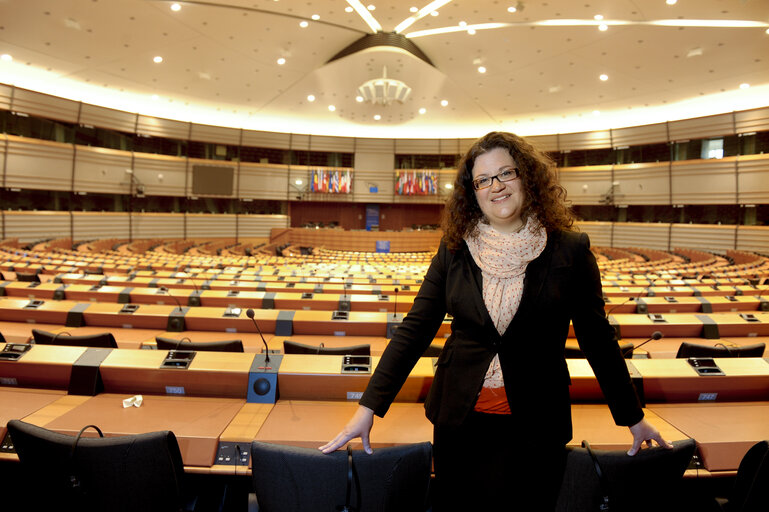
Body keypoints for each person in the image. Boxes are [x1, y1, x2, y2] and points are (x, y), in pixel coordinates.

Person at [320, 131, 671, 510]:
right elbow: (415, 330)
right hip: (460, 423)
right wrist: (368, 407)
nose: (496, 186)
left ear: (527, 178)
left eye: (506, 173)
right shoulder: (454, 249)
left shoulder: (570, 250)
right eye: (483, 179)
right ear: (472, 192)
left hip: (537, 423)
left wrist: (632, 416)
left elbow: (597, 340)